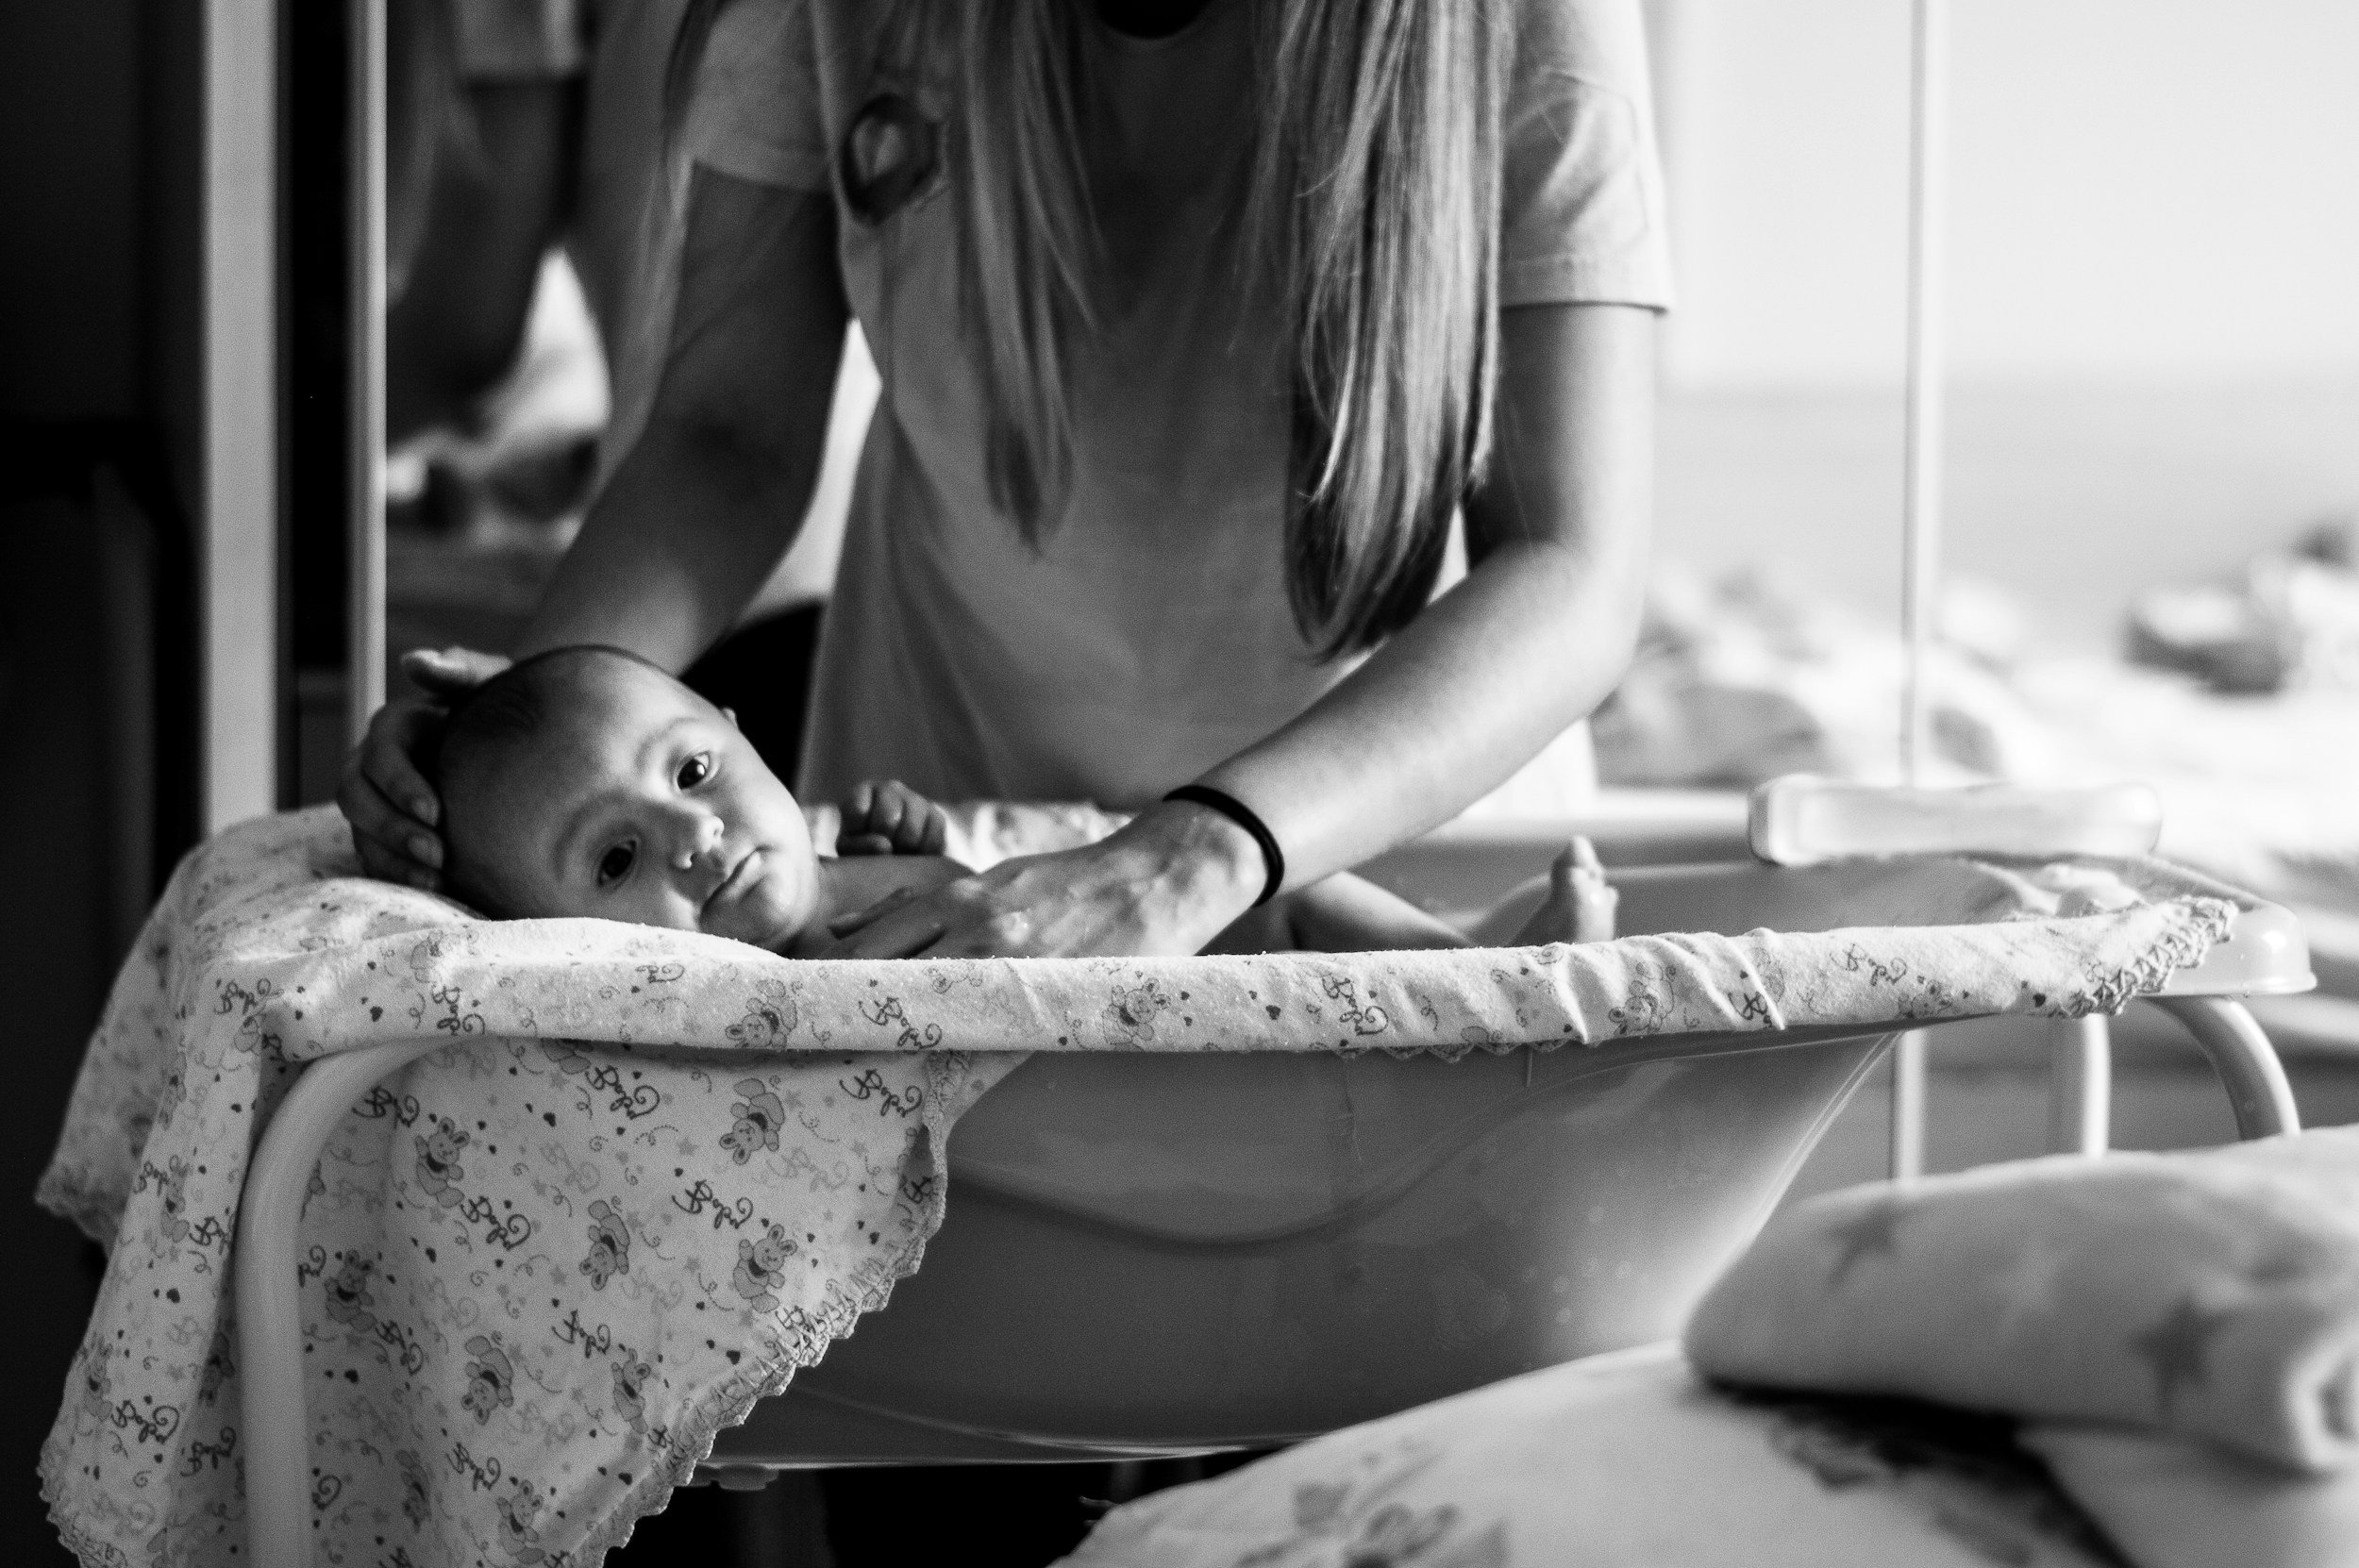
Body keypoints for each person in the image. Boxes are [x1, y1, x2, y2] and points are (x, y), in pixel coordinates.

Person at [344, 0, 1671, 968]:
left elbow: (1569, 569)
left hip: (1412, 865)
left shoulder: (1526, 27)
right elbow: (727, 438)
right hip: (950, 863)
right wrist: (522, 759)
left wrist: (1185, 856)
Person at [431, 644, 1612, 953]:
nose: (693, 837)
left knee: (1301, 899)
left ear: (747, 738)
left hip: (1142, 886)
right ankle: (1476, 991)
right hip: (1138, 1068)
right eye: (615, 862)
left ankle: (1467, 958)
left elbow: (971, 900)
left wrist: (919, 852)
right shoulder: (764, 990)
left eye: (694, 773)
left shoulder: (814, 867)